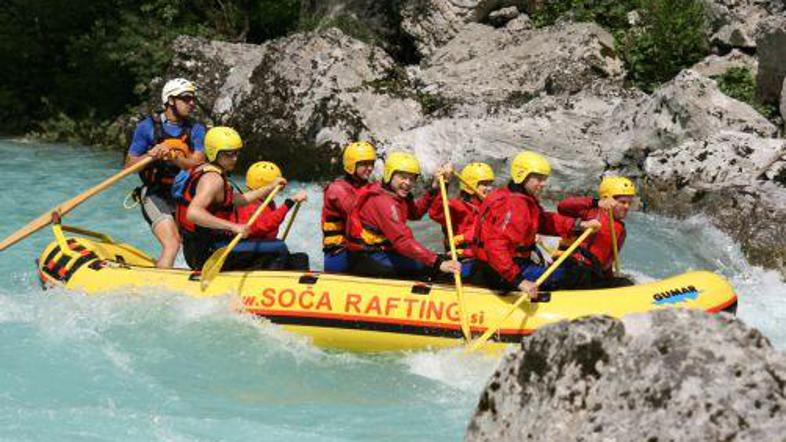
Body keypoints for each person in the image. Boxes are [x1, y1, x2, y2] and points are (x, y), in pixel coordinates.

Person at [468, 151, 600, 299]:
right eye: (538, 178)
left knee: (575, 264)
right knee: (577, 274)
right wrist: (520, 281)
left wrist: (579, 225)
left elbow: (544, 220)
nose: (543, 183)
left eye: (544, 179)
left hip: (512, 264)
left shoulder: (521, 198)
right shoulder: (510, 205)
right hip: (500, 272)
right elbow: (495, 247)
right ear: (522, 176)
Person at [173, 127, 285, 271]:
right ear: (214, 153)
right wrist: (232, 226)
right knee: (278, 248)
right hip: (206, 253)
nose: (235, 158)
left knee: (270, 246)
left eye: (236, 153)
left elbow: (239, 200)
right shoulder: (213, 180)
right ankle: (263, 288)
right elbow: (193, 213)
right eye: (228, 154)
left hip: (202, 247)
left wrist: (269, 187)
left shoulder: (206, 169)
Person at [125, 78, 207, 268]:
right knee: (172, 243)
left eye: (192, 98)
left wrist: (174, 157)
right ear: (170, 100)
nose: (192, 103)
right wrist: (151, 155)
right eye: (186, 98)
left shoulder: (196, 128)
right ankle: (158, 290)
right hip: (155, 194)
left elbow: (198, 163)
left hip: (185, 195)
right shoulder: (146, 127)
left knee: (197, 245)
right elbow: (129, 166)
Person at [345, 152, 461, 280]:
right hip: (370, 258)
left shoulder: (395, 194)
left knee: (439, 260)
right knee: (435, 267)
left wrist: (434, 189)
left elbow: (415, 213)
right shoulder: (384, 202)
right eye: (403, 177)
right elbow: (402, 241)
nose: (408, 183)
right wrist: (438, 263)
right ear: (389, 175)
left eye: (412, 178)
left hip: (383, 252)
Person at [554, 176, 637, 289]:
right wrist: (596, 202)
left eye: (629, 203)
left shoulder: (621, 231)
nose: (627, 207)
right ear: (608, 199)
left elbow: (607, 262)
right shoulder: (590, 212)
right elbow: (563, 206)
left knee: (625, 283)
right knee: (582, 272)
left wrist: (610, 279)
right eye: (622, 202)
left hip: (594, 273)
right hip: (572, 265)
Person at [230, 161, 310, 270]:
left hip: (258, 249)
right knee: (280, 246)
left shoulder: (267, 202)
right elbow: (264, 225)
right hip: (244, 250)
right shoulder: (247, 203)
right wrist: (290, 202)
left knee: (301, 258)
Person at [428, 162, 494, 276]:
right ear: (470, 186)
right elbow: (436, 213)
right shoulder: (458, 207)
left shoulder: (490, 208)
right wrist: (444, 183)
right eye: (484, 184)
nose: (490, 188)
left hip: (480, 257)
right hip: (463, 262)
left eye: (490, 184)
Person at [321, 141, 376, 273]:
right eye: (364, 164)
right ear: (351, 166)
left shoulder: (369, 187)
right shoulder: (336, 189)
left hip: (360, 252)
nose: (369, 168)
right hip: (339, 255)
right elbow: (355, 208)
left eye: (371, 164)